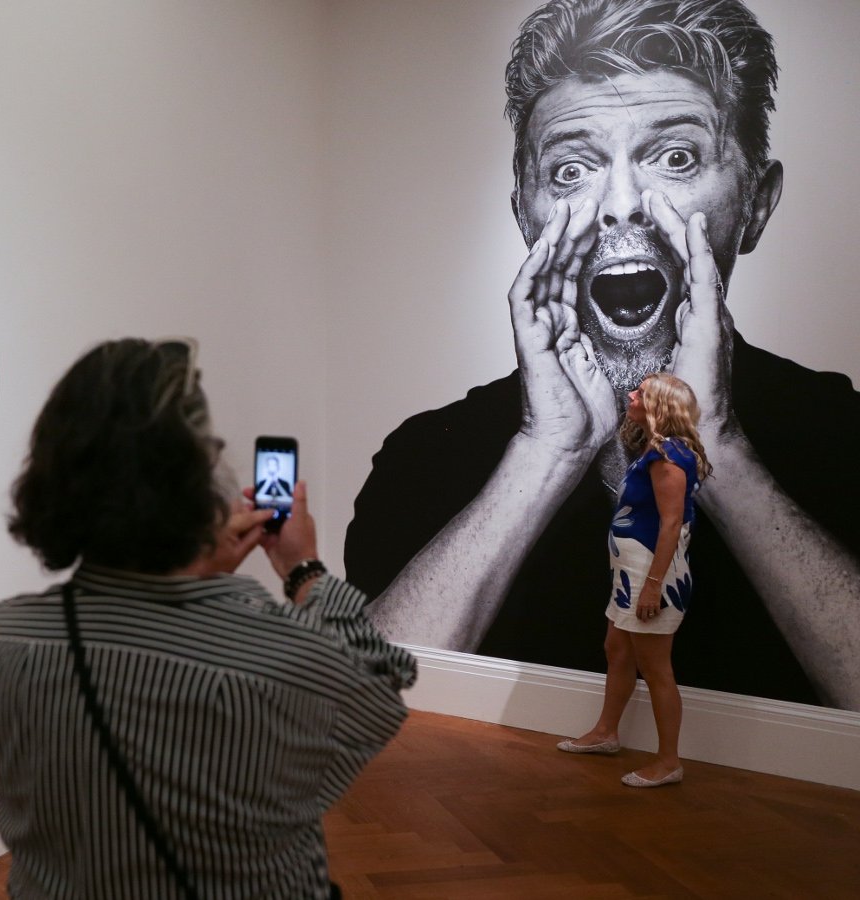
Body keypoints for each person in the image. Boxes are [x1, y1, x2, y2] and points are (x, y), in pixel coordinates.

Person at [346, 0, 860, 711]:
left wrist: (717, 448)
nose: (621, 204)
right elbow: (359, 713)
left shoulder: (842, 437)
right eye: (570, 169)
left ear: (756, 204)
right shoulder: (426, 459)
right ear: (525, 213)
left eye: (676, 157)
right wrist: (545, 453)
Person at [0, 338, 415, 899]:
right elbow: (381, 678)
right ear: (195, 487)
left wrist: (193, 569)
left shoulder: (3, 638)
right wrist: (302, 568)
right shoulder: (276, 653)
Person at [557, 373, 709, 787]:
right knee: (617, 650)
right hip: (632, 574)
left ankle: (668, 761)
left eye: (640, 393)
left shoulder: (667, 455)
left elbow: (672, 522)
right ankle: (606, 733)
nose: (631, 394)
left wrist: (654, 584)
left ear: (659, 405)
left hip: (651, 575)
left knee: (655, 668)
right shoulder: (654, 451)